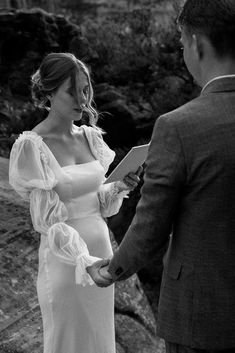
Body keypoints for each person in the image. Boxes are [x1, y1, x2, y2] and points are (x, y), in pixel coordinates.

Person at [87, 1, 235, 352]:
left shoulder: (179, 127)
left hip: (202, 317)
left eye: (183, 44)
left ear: (197, 44)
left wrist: (113, 270)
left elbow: (151, 226)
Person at [8, 52, 140, 353]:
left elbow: (98, 204)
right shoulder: (33, 147)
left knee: (99, 342)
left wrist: (119, 187)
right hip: (66, 265)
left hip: (102, 255)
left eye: (85, 90)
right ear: (49, 92)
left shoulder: (90, 137)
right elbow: (48, 223)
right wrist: (85, 262)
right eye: (72, 91)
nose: (82, 99)